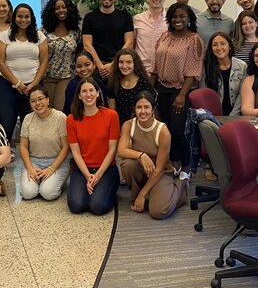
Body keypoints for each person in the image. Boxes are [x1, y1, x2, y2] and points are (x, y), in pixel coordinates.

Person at [151, 2, 204, 173]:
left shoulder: (194, 39)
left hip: (180, 90)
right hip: (161, 88)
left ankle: (187, 167)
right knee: (165, 128)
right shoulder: (165, 36)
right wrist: (150, 88)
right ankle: (174, 163)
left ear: (189, 19)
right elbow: (155, 63)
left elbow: (192, 70)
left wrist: (182, 95)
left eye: (182, 16)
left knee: (178, 129)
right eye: (174, 16)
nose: (177, 19)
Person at [118, 91, 187, 219]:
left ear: (153, 109)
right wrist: (142, 155)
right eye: (139, 107)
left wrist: (142, 194)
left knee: (159, 212)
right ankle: (137, 195)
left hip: (160, 173)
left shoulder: (163, 131)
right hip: (142, 168)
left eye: (146, 107)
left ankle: (181, 186)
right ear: (134, 109)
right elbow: (121, 150)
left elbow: (160, 168)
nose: (142, 111)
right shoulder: (128, 125)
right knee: (127, 165)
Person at [66, 78, 120, 215]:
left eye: (91, 90)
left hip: (106, 169)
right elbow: (75, 152)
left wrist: (98, 175)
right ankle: (92, 191)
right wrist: (88, 175)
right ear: (79, 95)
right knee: (76, 206)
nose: (88, 94)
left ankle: (106, 190)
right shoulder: (71, 119)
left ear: (97, 93)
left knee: (97, 207)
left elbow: (112, 149)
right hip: (83, 168)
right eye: (84, 91)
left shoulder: (111, 116)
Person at [0, 3, 48, 142]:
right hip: (8, 86)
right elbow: (0, 62)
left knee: (31, 121)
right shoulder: (4, 36)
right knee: (7, 121)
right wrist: (17, 83)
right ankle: (6, 151)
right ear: (14, 17)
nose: (23, 20)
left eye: (27, 16)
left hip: (33, 87)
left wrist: (33, 85)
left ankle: (31, 150)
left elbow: (43, 62)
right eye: (20, 16)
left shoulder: (40, 36)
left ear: (31, 18)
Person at [19, 86, 71, 201]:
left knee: (48, 193)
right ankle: (41, 181)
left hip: (57, 161)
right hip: (34, 161)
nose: (37, 103)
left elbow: (66, 147)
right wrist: (30, 168)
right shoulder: (28, 119)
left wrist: (51, 169)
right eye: (33, 101)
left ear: (47, 100)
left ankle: (53, 182)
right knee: (28, 193)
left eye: (40, 98)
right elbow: (23, 146)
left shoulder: (60, 117)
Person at [82, 0, 134, 82]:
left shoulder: (125, 17)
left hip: (119, 65)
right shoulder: (89, 18)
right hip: (96, 66)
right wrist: (100, 66)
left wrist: (113, 64)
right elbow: (87, 44)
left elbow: (129, 42)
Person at [41, 0, 82, 112]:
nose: (61, 11)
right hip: (47, 76)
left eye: (64, 7)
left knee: (59, 111)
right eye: (57, 8)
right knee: (46, 110)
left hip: (67, 76)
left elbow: (79, 52)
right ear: (52, 12)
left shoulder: (75, 31)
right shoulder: (44, 31)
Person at [108, 48, 155, 126]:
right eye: (121, 62)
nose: (124, 66)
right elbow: (113, 112)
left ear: (135, 64)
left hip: (140, 125)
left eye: (129, 62)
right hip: (120, 125)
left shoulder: (144, 83)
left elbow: (149, 110)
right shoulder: (114, 83)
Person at [203, 32, 247, 116]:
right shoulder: (206, 67)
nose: (219, 48)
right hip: (213, 114)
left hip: (237, 113)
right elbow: (205, 95)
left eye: (223, 44)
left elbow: (242, 94)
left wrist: (233, 116)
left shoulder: (242, 66)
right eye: (215, 45)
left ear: (229, 46)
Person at [132, 0, 167, 73]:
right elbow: (133, 44)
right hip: (141, 69)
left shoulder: (170, 20)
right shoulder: (137, 19)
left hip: (163, 71)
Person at [63, 50, 107, 115]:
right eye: (79, 66)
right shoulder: (72, 85)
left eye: (87, 65)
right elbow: (72, 110)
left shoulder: (100, 83)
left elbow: (104, 105)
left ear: (94, 64)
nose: (83, 69)